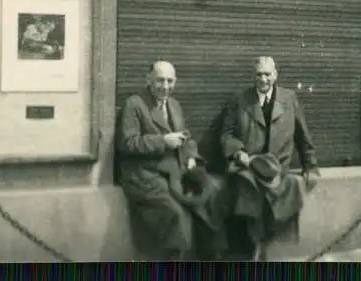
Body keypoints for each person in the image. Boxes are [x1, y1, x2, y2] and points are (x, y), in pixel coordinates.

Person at [116, 60, 228, 260]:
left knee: (211, 193)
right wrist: (163, 141)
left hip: (176, 171)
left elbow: (186, 137)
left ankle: (211, 256)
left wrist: (192, 157)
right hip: (145, 176)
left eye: (170, 81)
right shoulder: (134, 104)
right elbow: (127, 142)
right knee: (176, 214)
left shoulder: (174, 105)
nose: (165, 86)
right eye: (160, 81)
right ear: (148, 80)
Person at [220, 56, 320, 260]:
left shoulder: (289, 98)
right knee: (249, 192)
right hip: (247, 166)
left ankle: (263, 247)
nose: (263, 79)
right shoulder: (240, 99)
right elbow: (226, 134)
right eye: (258, 74)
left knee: (277, 196)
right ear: (253, 76)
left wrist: (310, 165)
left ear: (275, 75)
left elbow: (302, 134)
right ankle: (255, 248)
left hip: (277, 167)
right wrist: (238, 152)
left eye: (267, 74)